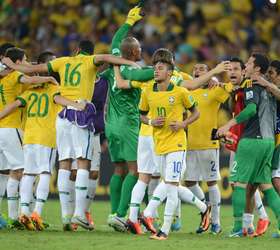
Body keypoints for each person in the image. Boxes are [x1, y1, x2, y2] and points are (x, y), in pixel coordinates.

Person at [2, 40, 139, 231]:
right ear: (89, 52)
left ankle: (66, 217)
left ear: (76, 50)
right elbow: (109, 57)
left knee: (64, 163)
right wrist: (132, 63)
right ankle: (79, 214)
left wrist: (9, 63)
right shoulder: (91, 60)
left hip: (62, 115)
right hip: (80, 111)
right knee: (83, 162)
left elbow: (33, 67)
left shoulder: (62, 61)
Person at [139, 48, 202, 240]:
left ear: (169, 72)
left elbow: (196, 113)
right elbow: (141, 115)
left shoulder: (181, 92)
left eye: (160, 68)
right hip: (159, 145)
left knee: (172, 186)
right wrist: (150, 122)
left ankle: (164, 230)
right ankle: (204, 207)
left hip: (177, 144)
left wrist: (183, 124)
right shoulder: (148, 92)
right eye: (154, 67)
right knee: (168, 184)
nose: (156, 71)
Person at [217, 54, 280, 238]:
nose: (247, 65)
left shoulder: (253, 85)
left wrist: (228, 125)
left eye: (250, 63)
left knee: (239, 184)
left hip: (252, 139)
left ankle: (238, 228)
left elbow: (251, 109)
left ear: (257, 68)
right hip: (269, 142)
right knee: (266, 186)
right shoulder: (268, 87)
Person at [0, 47, 58, 229]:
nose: (27, 62)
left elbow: (30, 71)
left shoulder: (3, 78)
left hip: (4, 129)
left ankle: (17, 215)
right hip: (12, 128)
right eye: (25, 59)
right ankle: (19, 216)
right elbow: (30, 77)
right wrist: (48, 78)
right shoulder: (15, 76)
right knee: (23, 172)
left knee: (6, 173)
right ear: (17, 63)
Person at [226, 57, 270, 236]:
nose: (233, 72)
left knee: (243, 184)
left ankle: (257, 219)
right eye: (231, 69)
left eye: (238, 68)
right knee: (250, 185)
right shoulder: (234, 90)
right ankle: (249, 223)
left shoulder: (249, 87)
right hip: (237, 140)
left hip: (249, 141)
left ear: (245, 71)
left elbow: (250, 112)